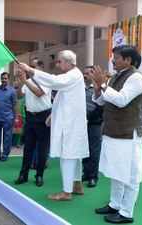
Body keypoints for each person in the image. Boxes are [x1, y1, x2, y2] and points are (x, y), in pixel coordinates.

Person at [18, 50, 89, 200]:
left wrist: (30, 70)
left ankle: (66, 192)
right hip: (69, 120)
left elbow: (54, 81)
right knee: (74, 154)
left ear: (69, 62)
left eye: (59, 61)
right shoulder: (73, 76)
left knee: (68, 155)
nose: (57, 64)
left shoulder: (73, 75)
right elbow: (61, 98)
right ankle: (77, 185)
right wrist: (53, 114)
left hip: (70, 123)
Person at [89, 45, 142, 224]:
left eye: (117, 57)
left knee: (130, 175)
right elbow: (101, 101)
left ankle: (126, 212)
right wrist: (98, 88)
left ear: (128, 60)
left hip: (128, 134)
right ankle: (115, 204)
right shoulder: (115, 76)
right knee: (115, 171)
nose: (113, 60)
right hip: (113, 132)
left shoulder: (136, 77)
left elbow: (121, 100)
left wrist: (103, 84)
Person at [15, 58, 52, 187]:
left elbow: (39, 93)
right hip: (30, 117)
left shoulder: (46, 80)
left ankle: (39, 175)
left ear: (40, 67)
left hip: (44, 118)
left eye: (32, 66)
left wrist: (24, 80)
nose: (28, 68)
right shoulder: (28, 81)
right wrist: (20, 81)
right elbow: (19, 95)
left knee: (42, 149)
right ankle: (23, 175)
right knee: (28, 148)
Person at [82, 66, 103, 188]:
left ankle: (93, 177)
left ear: (94, 74)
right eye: (84, 73)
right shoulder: (79, 88)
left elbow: (101, 106)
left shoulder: (99, 88)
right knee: (83, 149)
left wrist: (90, 117)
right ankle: (86, 173)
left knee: (94, 151)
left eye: (88, 73)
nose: (85, 75)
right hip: (80, 124)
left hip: (94, 123)